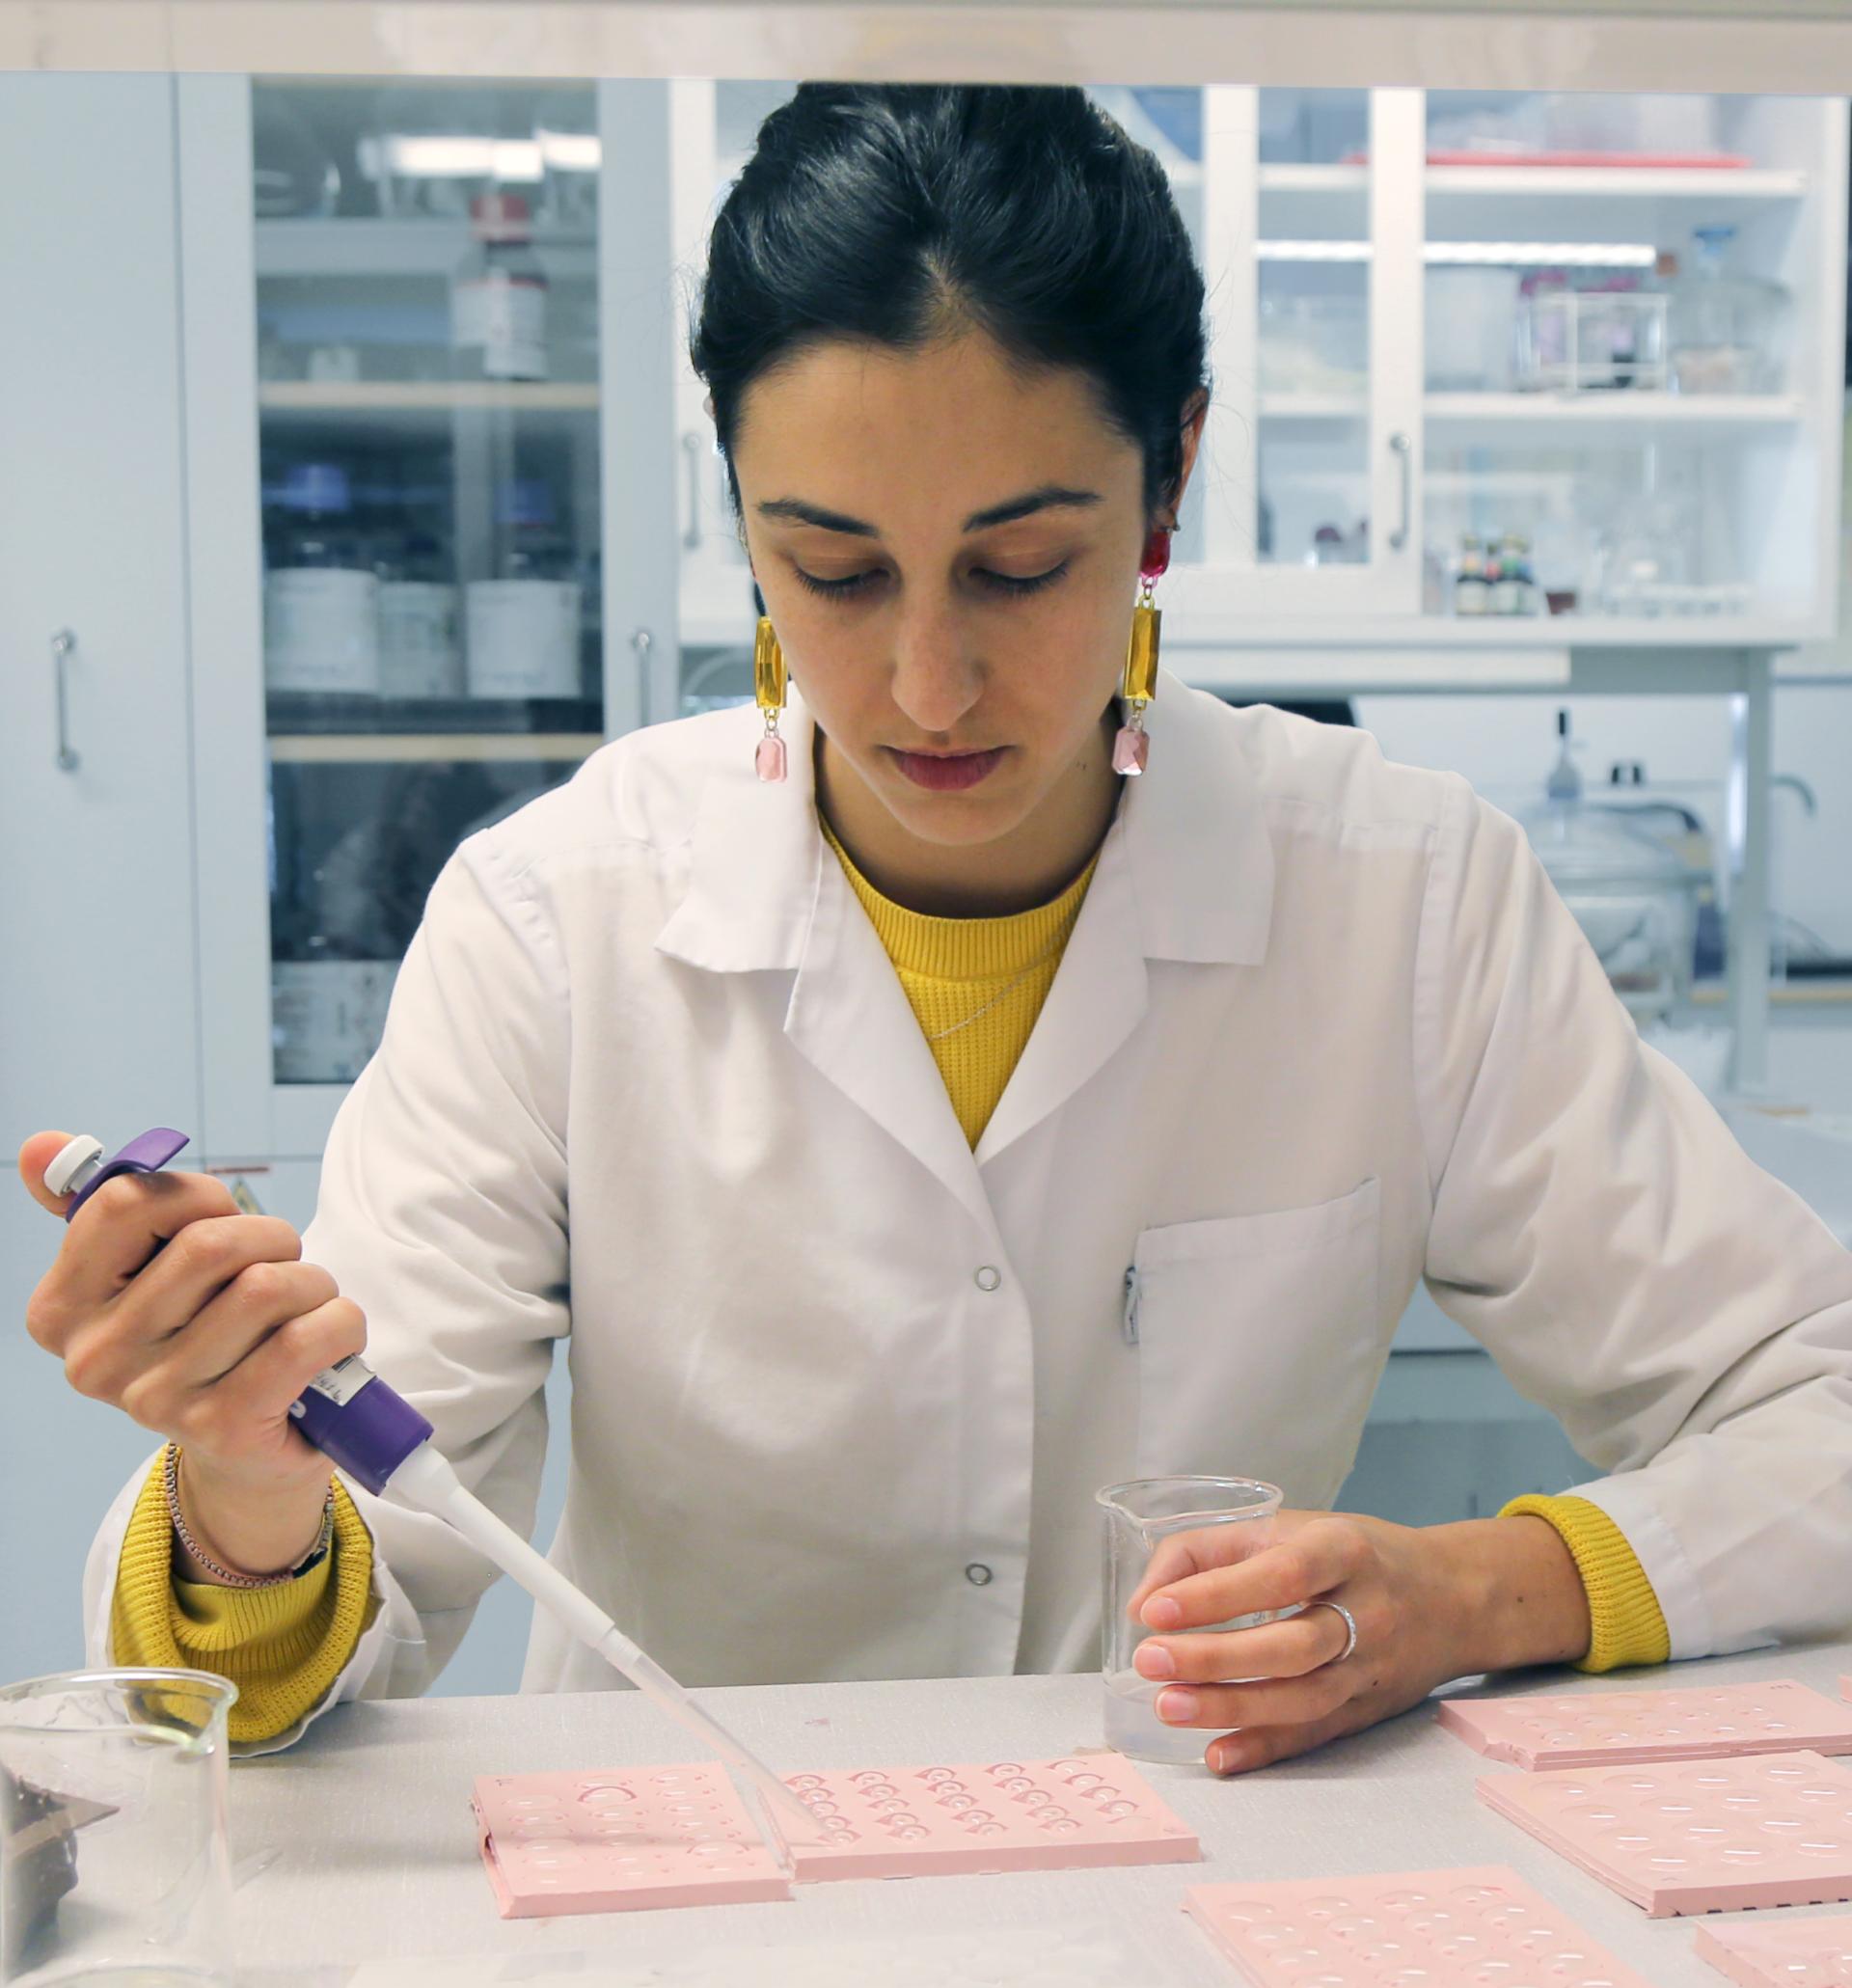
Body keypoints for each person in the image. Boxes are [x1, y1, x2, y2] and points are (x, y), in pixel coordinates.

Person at [19, 83, 1852, 1763]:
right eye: (831, 569)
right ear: (739, 512)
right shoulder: (555, 919)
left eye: (1021, 566)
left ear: (1171, 478)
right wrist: (248, 1485)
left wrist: (1481, 1590)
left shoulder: (1402, 894)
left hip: (1193, 1919)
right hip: (691, 1944)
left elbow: (1819, 1409)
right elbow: (365, 1581)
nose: (925, 681)